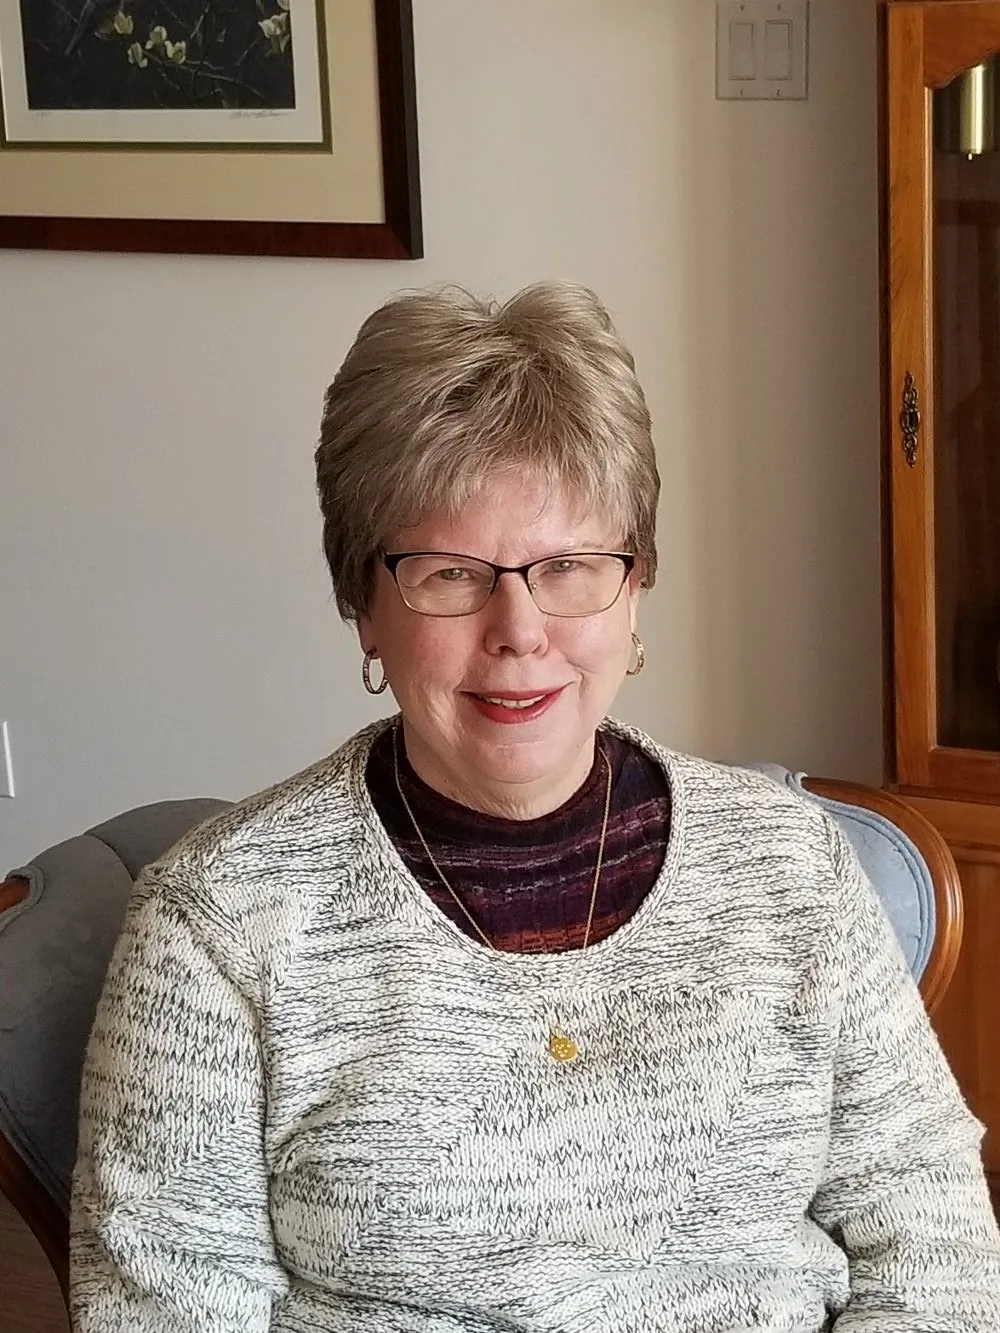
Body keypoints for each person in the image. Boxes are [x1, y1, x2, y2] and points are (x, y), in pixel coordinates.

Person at [70, 282, 1000, 1332]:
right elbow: (161, 1309)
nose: (518, 629)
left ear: (636, 586)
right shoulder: (219, 920)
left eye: (568, 566)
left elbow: (929, 1230)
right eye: (451, 574)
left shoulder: (792, 864)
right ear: (363, 604)